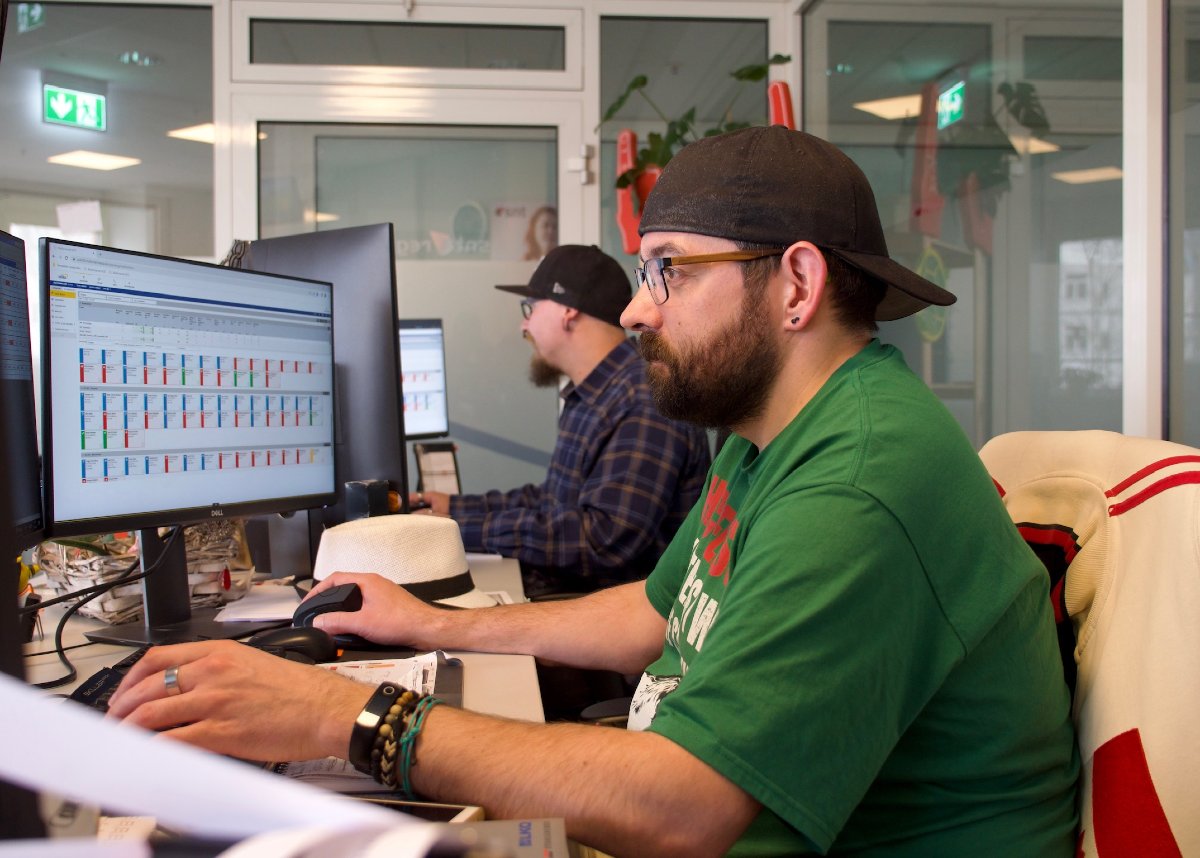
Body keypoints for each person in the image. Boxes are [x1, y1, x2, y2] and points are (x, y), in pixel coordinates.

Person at [110, 127, 1079, 857]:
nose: (636, 307)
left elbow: (686, 806)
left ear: (796, 284)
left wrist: (344, 717)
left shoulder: (860, 480)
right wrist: (430, 624)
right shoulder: (771, 434)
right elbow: (655, 612)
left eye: (670, 270)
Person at [411, 243, 712, 596]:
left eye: (530, 308)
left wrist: (455, 529)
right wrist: (452, 510)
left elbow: (601, 540)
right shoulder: (592, 394)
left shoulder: (642, 400)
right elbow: (553, 501)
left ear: (568, 311)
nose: (524, 324)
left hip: (600, 609)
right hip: (572, 594)